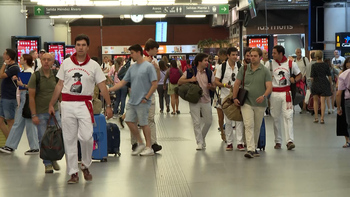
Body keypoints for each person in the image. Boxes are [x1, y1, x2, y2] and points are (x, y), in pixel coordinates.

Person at [48, 34, 113, 184]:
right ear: (75, 46)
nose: (81, 47)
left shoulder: (94, 66)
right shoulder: (66, 63)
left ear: (88, 47)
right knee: (69, 139)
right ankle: (73, 173)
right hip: (67, 104)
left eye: (84, 45)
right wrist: (52, 104)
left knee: (86, 137)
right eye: (78, 45)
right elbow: (59, 85)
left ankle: (85, 164)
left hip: (85, 104)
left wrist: (109, 105)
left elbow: (102, 86)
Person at [109, 44, 158, 156]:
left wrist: (147, 97)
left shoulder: (148, 67)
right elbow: (122, 82)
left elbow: (154, 84)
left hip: (143, 100)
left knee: (144, 123)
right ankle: (140, 142)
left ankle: (149, 147)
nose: (131, 56)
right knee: (129, 120)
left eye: (132, 53)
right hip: (132, 100)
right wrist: (109, 89)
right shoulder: (132, 68)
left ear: (138, 52)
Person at [232, 48, 272, 158]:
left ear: (260, 57)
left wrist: (264, 96)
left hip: (260, 104)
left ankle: (253, 147)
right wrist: (234, 97)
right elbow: (237, 84)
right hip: (246, 102)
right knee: (249, 124)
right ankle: (250, 149)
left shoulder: (265, 70)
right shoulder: (244, 69)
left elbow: (269, 87)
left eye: (255, 56)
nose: (252, 58)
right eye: (251, 55)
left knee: (257, 126)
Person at [27, 53, 61, 173]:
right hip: (40, 113)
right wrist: (34, 114)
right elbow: (31, 97)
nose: (46, 62)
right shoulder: (35, 76)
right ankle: (47, 163)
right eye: (44, 59)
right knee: (43, 138)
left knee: (57, 136)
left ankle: (53, 158)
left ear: (53, 62)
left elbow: (60, 94)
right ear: (40, 61)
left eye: (49, 60)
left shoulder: (56, 76)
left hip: (55, 111)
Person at [0, 54, 39, 154]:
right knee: (24, 123)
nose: (20, 60)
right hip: (24, 98)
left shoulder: (30, 72)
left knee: (20, 123)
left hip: (26, 99)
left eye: (21, 58)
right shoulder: (25, 72)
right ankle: (33, 146)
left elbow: (31, 87)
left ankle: (11, 145)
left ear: (25, 60)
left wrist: (22, 85)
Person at [178, 53, 215, 150]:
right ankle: (199, 142)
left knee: (208, 121)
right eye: (205, 60)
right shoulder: (190, 71)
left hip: (206, 100)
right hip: (194, 100)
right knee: (196, 122)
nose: (207, 62)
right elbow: (180, 81)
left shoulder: (209, 72)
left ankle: (202, 137)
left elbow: (214, 87)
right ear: (199, 62)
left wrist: (211, 87)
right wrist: (190, 79)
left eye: (207, 60)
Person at [268, 45, 301, 150]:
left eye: (274, 53)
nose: (272, 55)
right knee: (275, 117)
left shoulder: (291, 63)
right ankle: (278, 141)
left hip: (286, 93)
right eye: (272, 53)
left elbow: (299, 75)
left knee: (288, 116)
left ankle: (290, 141)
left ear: (281, 53)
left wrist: (294, 80)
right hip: (274, 93)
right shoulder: (269, 64)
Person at [215, 47, 245, 151]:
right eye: (233, 54)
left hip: (238, 96)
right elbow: (216, 81)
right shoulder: (221, 67)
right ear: (228, 55)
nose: (235, 56)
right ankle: (229, 142)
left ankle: (240, 142)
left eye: (236, 54)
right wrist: (224, 85)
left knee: (239, 120)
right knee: (228, 121)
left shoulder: (240, 66)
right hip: (225, 97)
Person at [0, 48, 20, 139]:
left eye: (4, 54)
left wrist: (4, 63)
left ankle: (11, 144)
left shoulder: (14, 67)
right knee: (1, 120)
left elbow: (1, 75)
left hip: (9, 98)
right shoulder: (10, 67)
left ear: (8, 56)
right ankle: (9, 141)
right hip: (4, 97)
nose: (3, 55)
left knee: (10, 121)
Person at [310, 50, 332, 124]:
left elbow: (312, 77)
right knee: (323, 102)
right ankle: (322, 118)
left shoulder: (314, 66)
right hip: (324, 83)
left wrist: (312, 84)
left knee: (315, 101)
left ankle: (316, 117)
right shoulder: (326, 65)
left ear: (316, 56)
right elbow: (329, 76)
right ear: (322, 56)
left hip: (315, 83)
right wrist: (330, 85)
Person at [336, 57, 350, 148]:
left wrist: (338, 108)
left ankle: (348, 141)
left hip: (347, 100)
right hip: (345, 100)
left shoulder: (343, 75)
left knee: (348, 122)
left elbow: (338, 93)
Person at [213, 48, 227, 143]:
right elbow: (215, 78)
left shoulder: (225, 66)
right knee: (220, 116)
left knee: (227, 116)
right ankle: (222, 131)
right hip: (219, 93)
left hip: (226, 92)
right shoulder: (219, 66)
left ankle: (225, 131)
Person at [294, 48, 309, 113]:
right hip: (297, 80)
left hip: (304, 80)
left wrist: (305, 76)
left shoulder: (305, 59)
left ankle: (304, 108)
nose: (299, 54)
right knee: (297, 94)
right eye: (298, 52)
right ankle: (300, 106)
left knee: (304, 93)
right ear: (296, 53)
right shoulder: (294, 61)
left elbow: (307, 69)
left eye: (300, 52)